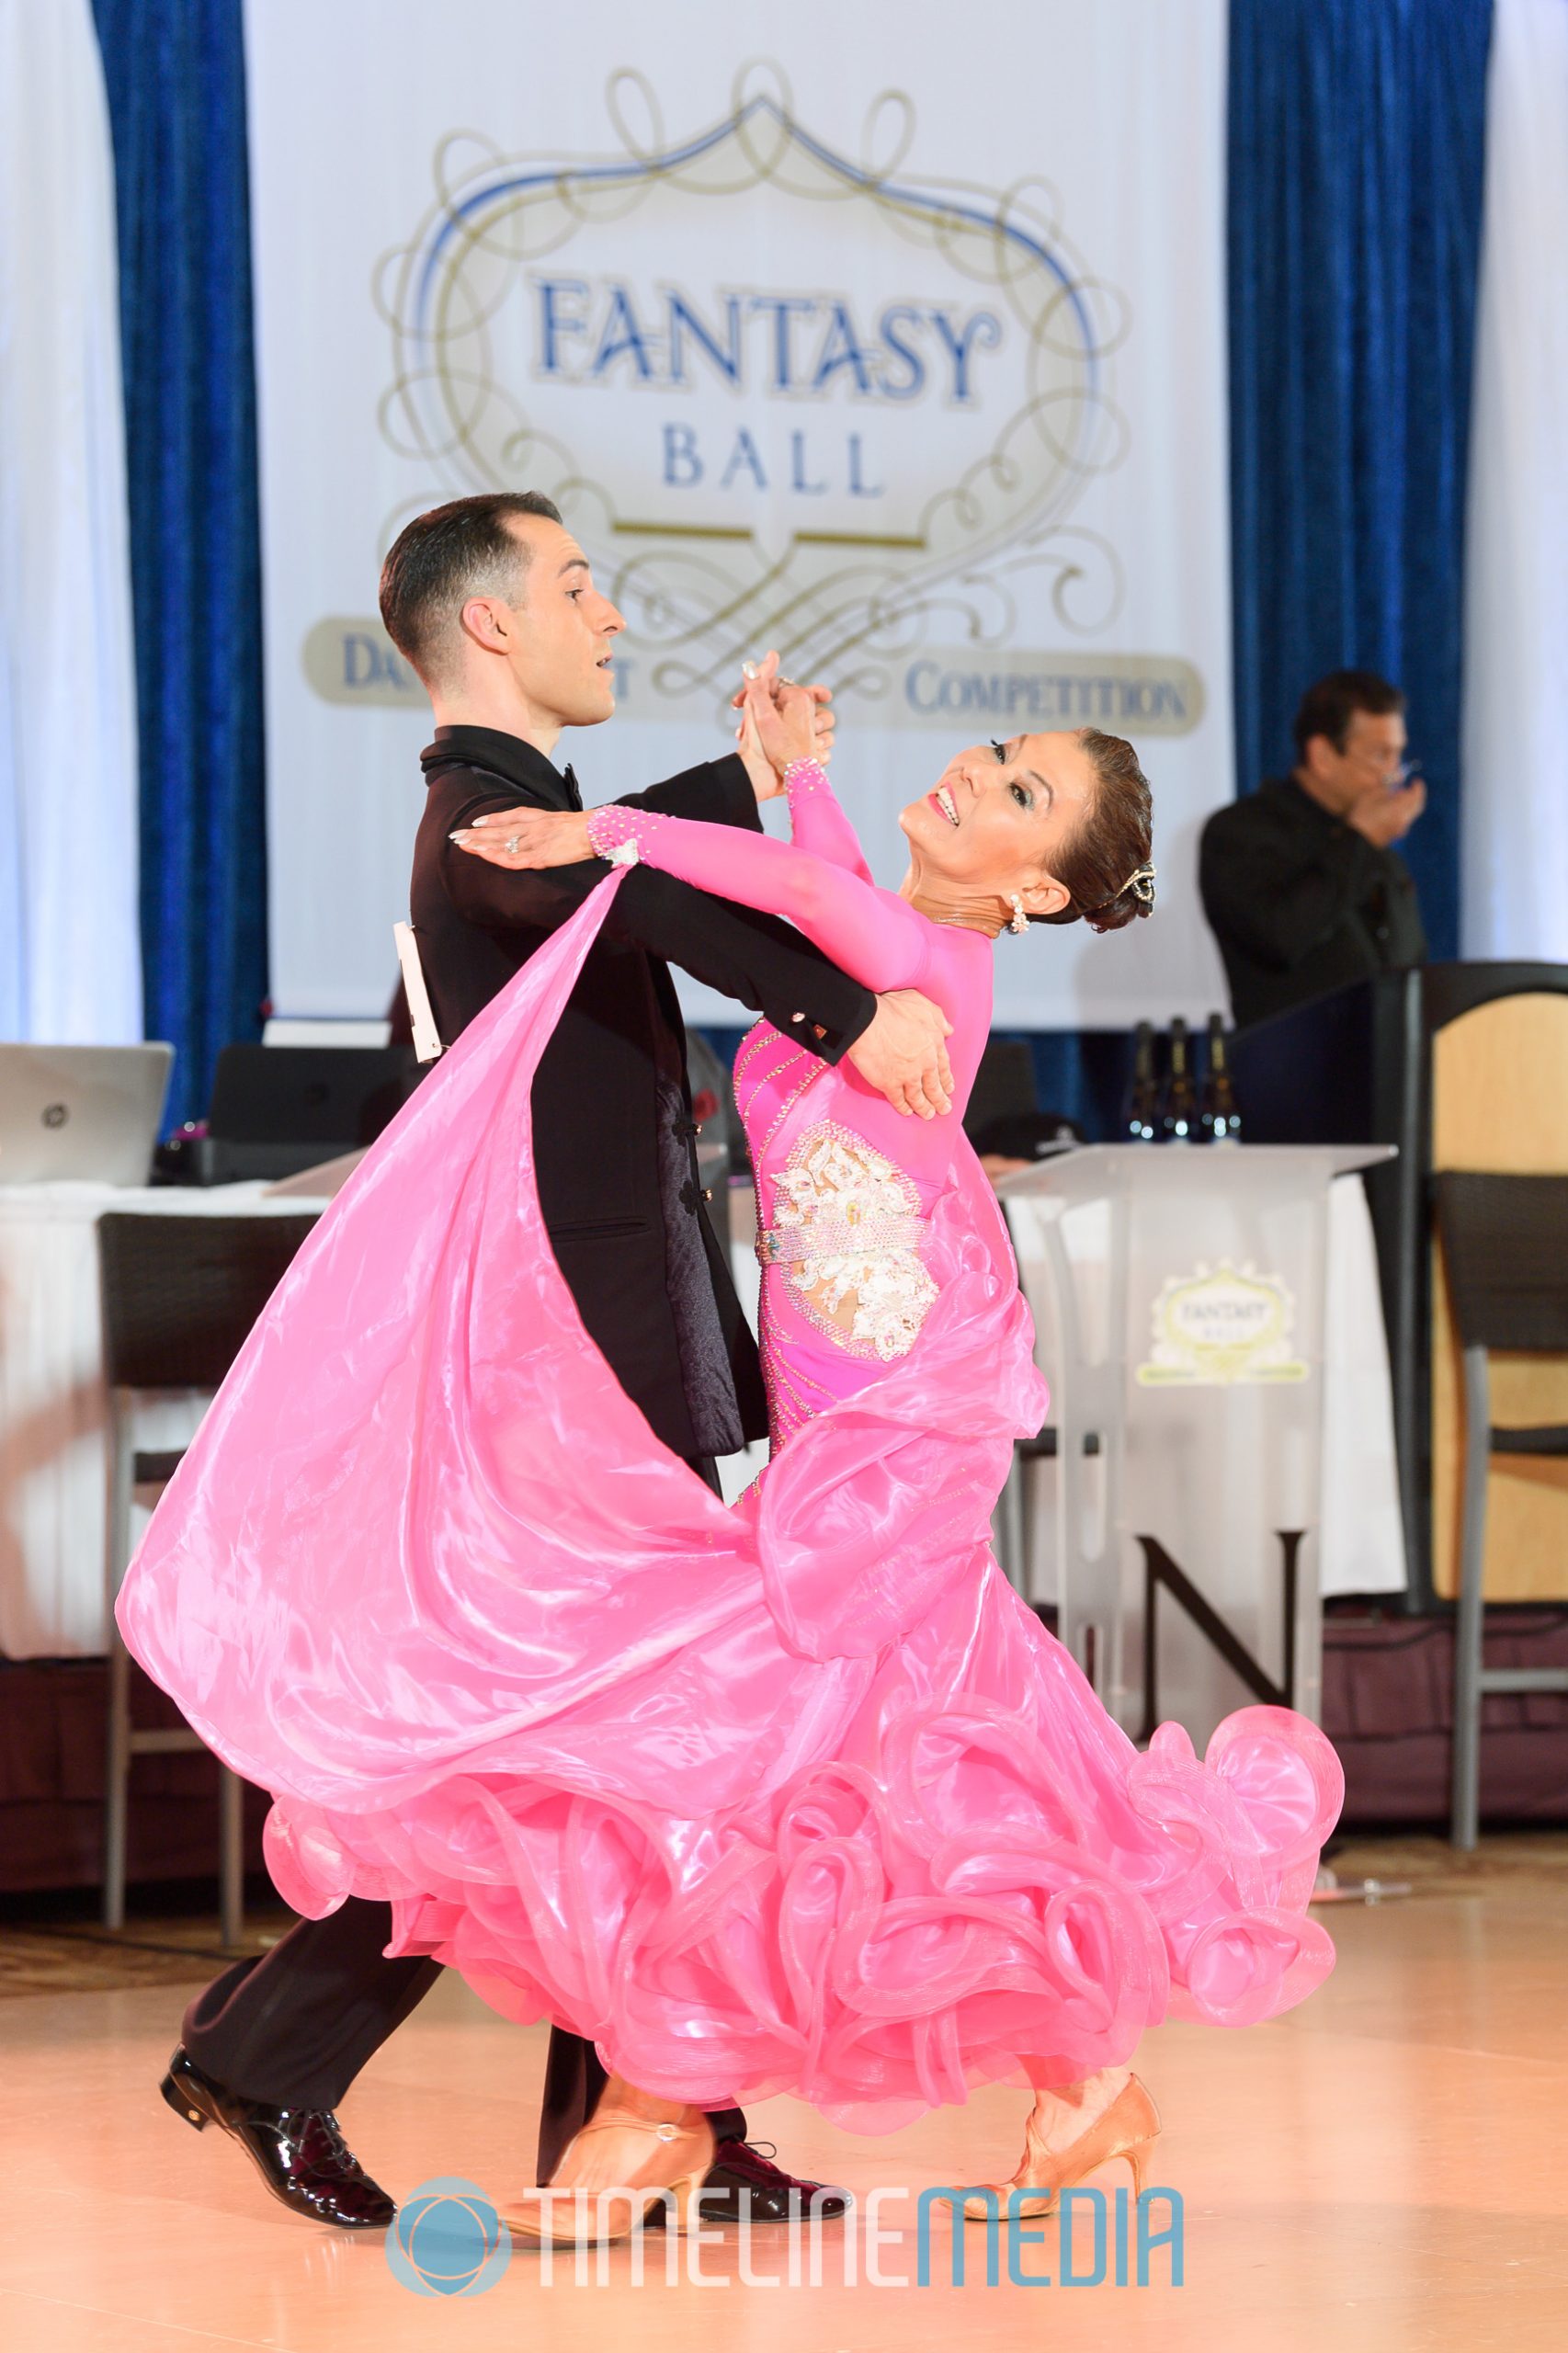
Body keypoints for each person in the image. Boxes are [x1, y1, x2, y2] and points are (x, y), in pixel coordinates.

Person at [119, 669, 1341, 2247]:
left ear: (1035, 889)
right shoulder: (898, 947)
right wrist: (792, 772)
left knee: (759, 1712)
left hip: (904, 1407)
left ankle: (655, 2111)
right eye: (995, 751)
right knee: (929, 1729)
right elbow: (828, 884)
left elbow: (790, 891)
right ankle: (1072, 2082)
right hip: (868, 1403)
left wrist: (605, 827)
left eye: (1022, 794)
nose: (980, 773)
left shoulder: (929, 965)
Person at [154, 493, 958, 2233]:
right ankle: (298, 2052)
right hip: (574, 1347)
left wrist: (738, 784)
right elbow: (651, 905)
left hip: (609, 1316)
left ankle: (651, 2118)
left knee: (635, 1735)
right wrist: (847, 1012)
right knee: (570, 1739)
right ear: (495, 626)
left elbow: (624, 856)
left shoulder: (498, 809)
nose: (611, 610)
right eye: (579, 586)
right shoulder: (484, 825)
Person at [1199, 669, 1427, 1028]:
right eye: (1380, 756)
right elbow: (1279, 937)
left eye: (1397, 756)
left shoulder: (1379, 853)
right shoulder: (1243, 832)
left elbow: (1413, 970)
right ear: (1322, 755)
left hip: (1389, 1067)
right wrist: (1361, 840)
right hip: (1292, 1067)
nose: (1394, 776)